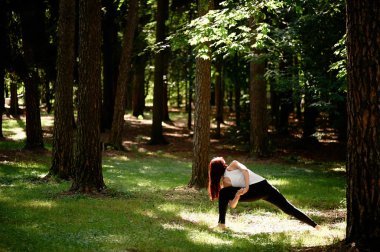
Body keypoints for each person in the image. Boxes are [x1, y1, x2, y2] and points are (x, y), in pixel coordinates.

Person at [208, 157, 321, 230]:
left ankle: (315, 226)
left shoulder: (232, 166)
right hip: (261, 187)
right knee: (223, 193)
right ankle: (221, 224)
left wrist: (246, 187)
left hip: (260, 187)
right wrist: (237, 195)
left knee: (288, 208)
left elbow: (245, 171)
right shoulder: (226, 182)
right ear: (222, 165)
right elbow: (232, 205)